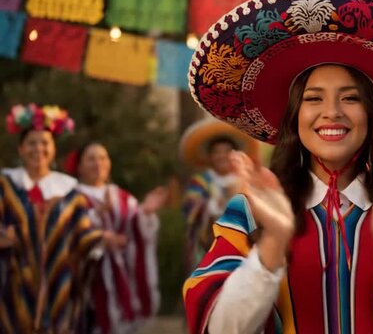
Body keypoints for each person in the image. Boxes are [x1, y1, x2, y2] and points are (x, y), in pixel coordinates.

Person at [182, 0, 373, 334]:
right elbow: (218, 328)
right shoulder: (252, 209)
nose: (331, 113)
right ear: (295, 117)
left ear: (371, 116)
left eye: (350, 98)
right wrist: (274, 242)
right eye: (313, 99)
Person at [0, 103, 103, 333]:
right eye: (31, 143)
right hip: (12, 281)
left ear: (54, 148)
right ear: (20, 149)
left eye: (44, 142)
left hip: (59, 280)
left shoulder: (69, 190)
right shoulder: (6, 185)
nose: (38, 149)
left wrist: (102, 238)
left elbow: (83, 231)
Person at [68, 142, 166, 333]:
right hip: (89, 279)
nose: (98, 163)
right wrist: (97, 227)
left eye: (103, 158)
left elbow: (136, 232)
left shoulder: (121, 196)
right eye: (91, 159)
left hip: (121, 277)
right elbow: (67, 230)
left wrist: (144, 213)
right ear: (79, 166)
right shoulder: (72, 196)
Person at [180, 118, 260, 270]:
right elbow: (189, 212)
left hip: (242, 251)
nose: (222, 156)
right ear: (209, 156)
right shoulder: (200, 182)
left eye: (227, 152)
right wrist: (212, 206)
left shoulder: (245, 182)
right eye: (217, 152)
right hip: (206, 251)